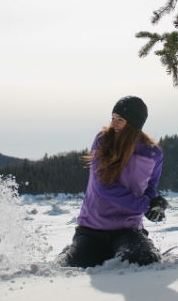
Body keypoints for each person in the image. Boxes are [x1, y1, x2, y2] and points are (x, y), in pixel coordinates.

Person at [59, 95, 169, 268]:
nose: (114, 124)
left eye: (120, 120)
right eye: (113, 118)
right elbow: (103, 187)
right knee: (70, 266)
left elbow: (150, 189)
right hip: (92, 229)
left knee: (144, 261)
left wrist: (156, 204)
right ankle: (74, 250)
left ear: (134, 124)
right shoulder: (103, 140)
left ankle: (139, 248)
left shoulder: (153, 153)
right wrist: (145, 205)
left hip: (128, 230)